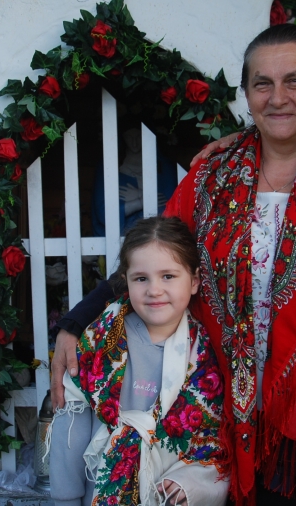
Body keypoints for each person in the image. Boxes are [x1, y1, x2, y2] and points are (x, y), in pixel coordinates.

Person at [53, 23, 296, 505]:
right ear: (247, 94)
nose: (278, 97)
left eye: (295, 81)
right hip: (213, 397)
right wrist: (76, 321)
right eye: (262, 84)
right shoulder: (213, 173)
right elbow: (157, 258)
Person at [49, 216, 229, 506]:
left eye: (168, 276)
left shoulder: (204, 357)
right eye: (141, 278)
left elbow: (211, 442)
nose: (154, 290)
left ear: (194, 281)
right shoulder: (99, 342)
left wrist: (189, 483)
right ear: (126, 281)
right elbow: (70, 428)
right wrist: (66, 500)